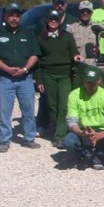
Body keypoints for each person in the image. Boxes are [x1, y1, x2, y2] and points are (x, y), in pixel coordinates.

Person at [0, 3, 41, 152]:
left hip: (25, 79)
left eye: (17, 16)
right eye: (11, 15)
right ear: (6, 17)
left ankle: (29, 138)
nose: (14, 18)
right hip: (5, 78)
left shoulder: (28, 34)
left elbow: (35, 55)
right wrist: (7, 69)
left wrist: (24, 69)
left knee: (28, 109)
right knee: (4, 111)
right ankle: (4, 140)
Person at [63, 66, 104, 170]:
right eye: (88, 82)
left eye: (92, 83)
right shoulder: (74, 95)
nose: (89, 85)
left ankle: (98, 156)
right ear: (84, 81)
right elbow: (71, 121)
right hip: (82, 130)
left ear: (99, 81)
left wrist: (98, 135)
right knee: (68, 141)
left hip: (100, 131)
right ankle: (83, 156)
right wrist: (81, 133)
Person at [34, 9, 80, 148]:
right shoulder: (40, 38)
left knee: (64, 105)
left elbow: (74, 52)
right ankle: (57, 131)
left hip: (64, 75)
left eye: (56, 18)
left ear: (60, 20)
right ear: (47, 20)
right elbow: (37, 61)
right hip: (48, 76)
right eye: (51, 18)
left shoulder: (67, 36)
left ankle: (60, 136)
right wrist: (39, 80)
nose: (53, 21)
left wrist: (76, 57)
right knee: (52, 106)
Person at [66, 1, 104, 85]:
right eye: (83, 11)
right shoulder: (71, 29)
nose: (85, 13)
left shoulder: (97, 27)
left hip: (93, 66)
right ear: (79, 12)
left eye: (88, 11)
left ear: (92, 13)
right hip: (77, 66)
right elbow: (66, 48)